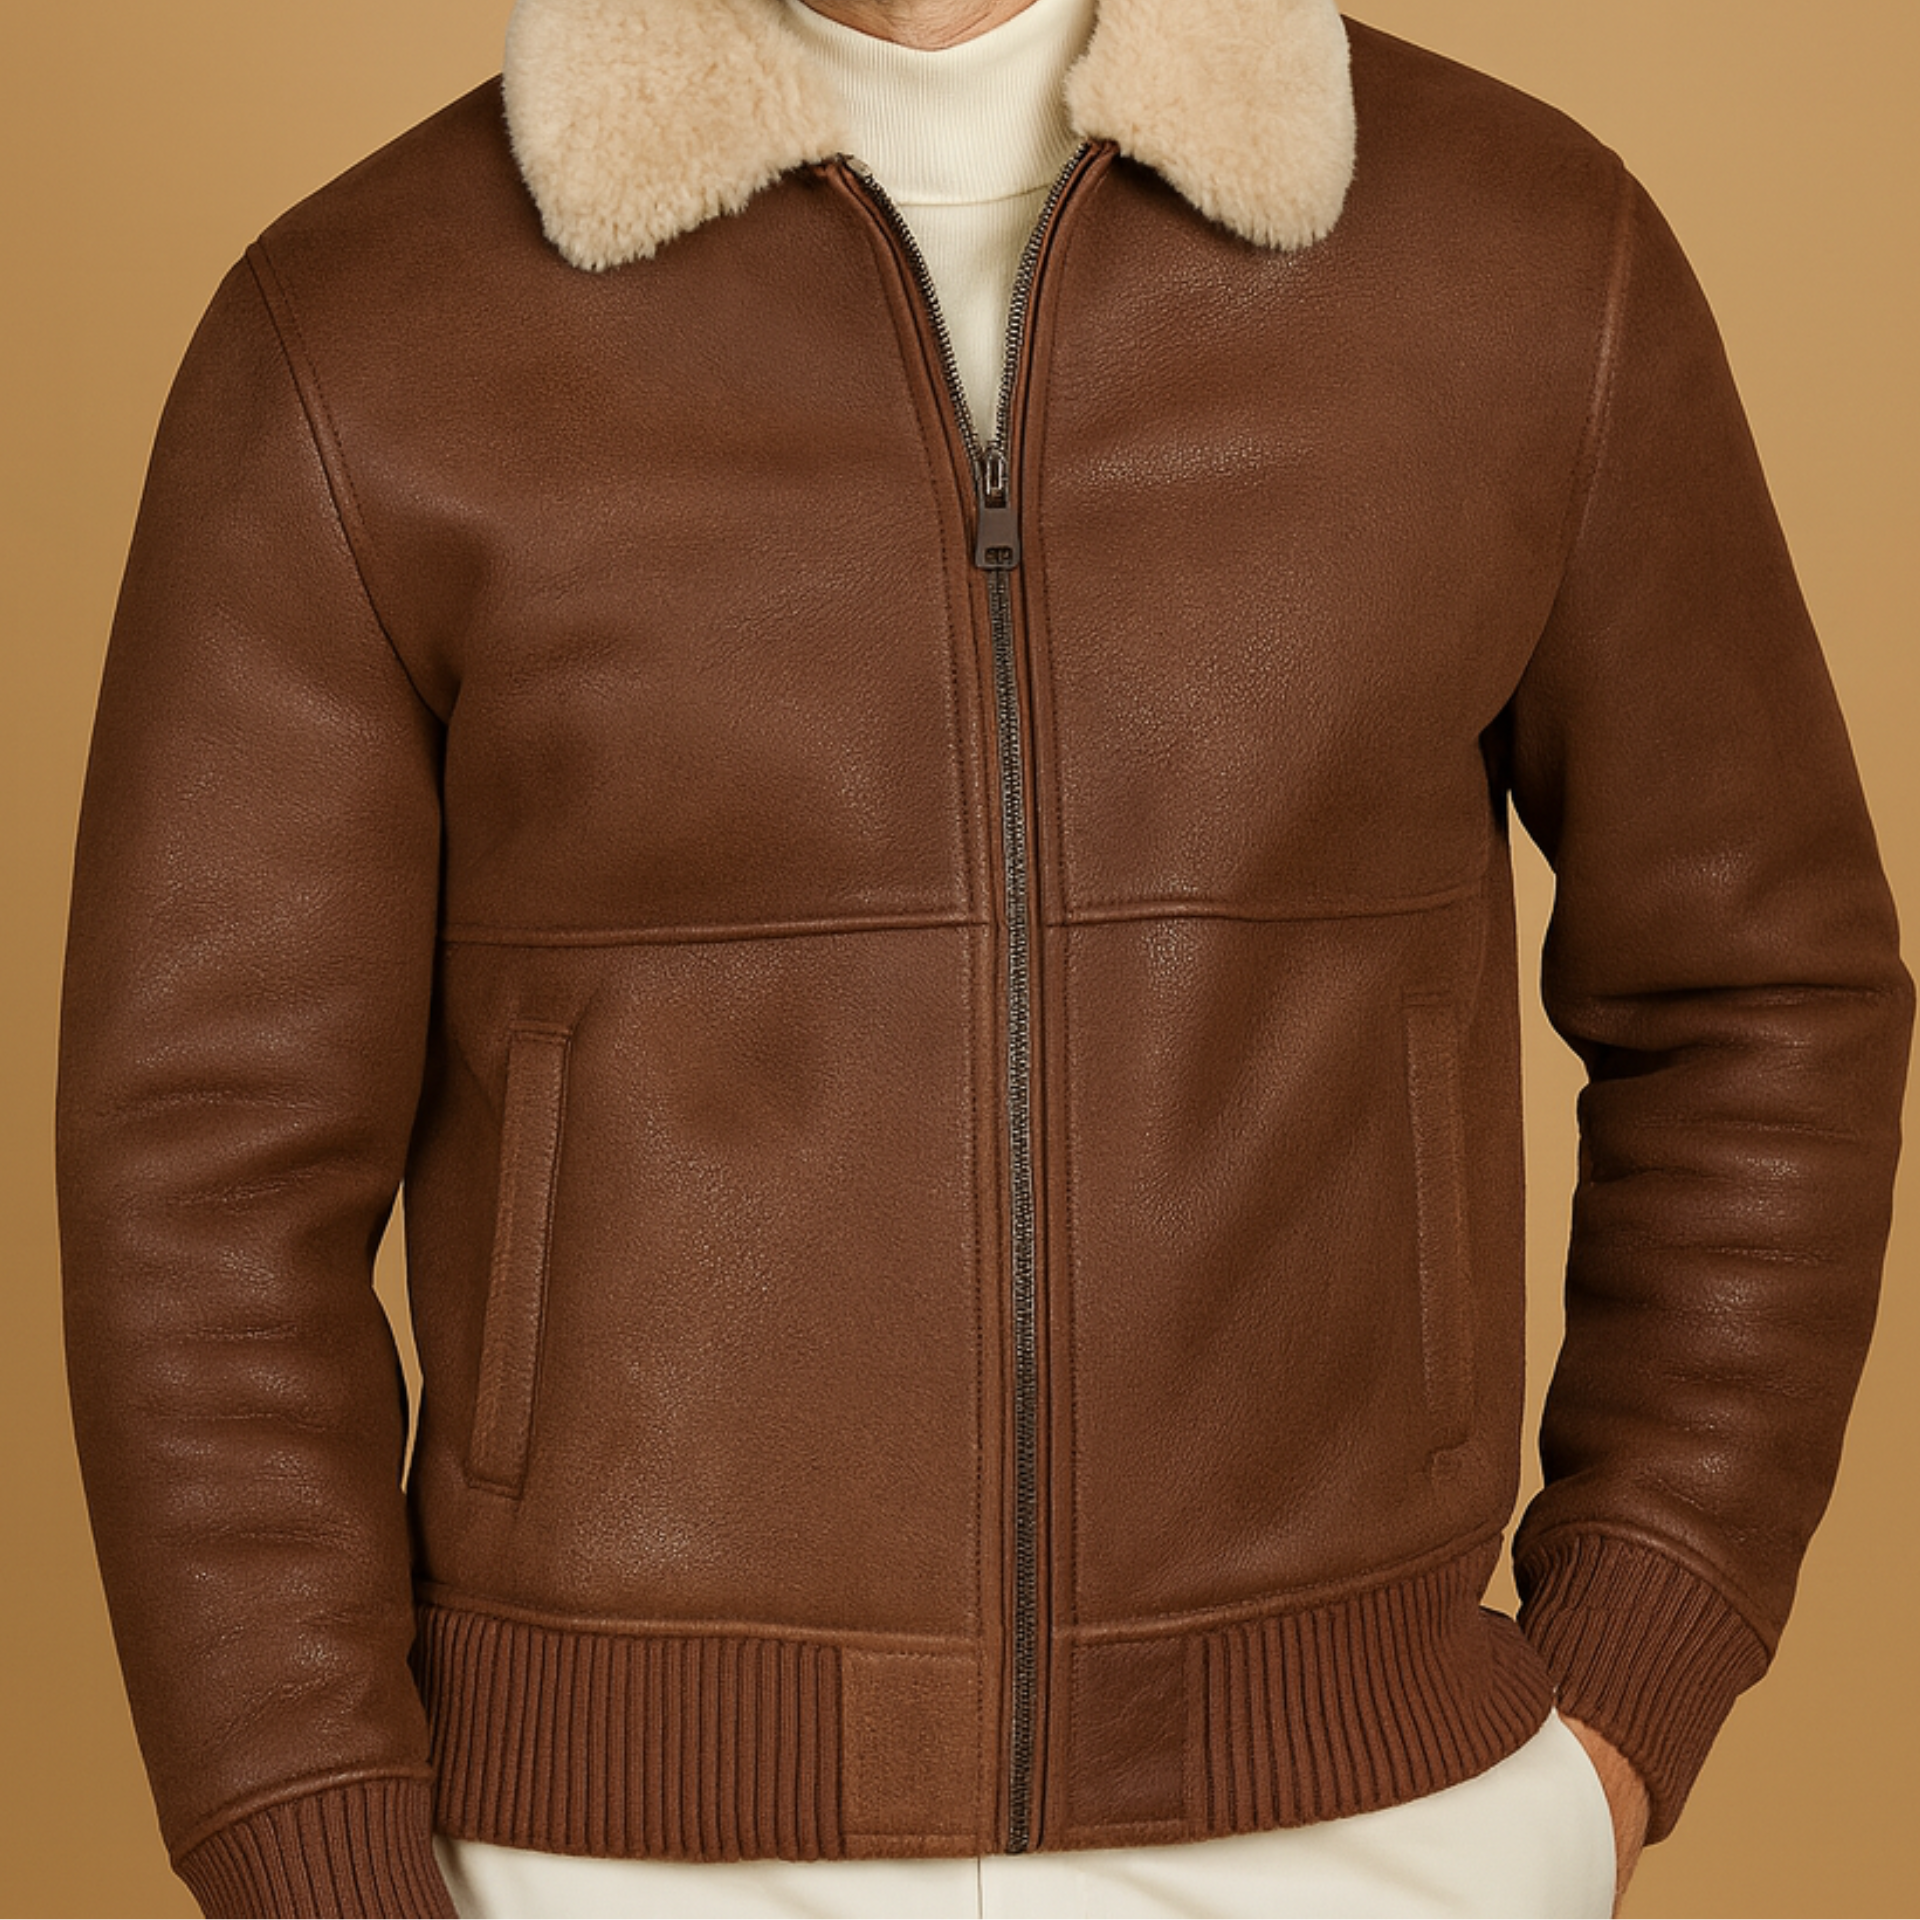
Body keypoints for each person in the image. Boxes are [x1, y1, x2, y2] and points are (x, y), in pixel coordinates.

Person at [53, 0, 1912, 1916]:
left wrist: (1624, 1682)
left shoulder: (1519, 257)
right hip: (590, 1859)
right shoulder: (366, 328)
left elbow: (1760, 992)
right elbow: (205, 1171)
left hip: (1372, 1836)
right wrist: (317, 1857)